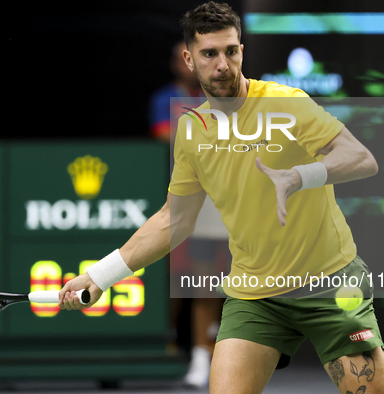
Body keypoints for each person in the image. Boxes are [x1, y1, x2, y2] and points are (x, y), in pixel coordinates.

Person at [59, 2, 384, 393]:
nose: (222, 64)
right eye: (209, 53)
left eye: (231, 51)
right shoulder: (192, 131)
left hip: (330, 284)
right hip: (255, 297)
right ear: (189, 58)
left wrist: (300, 175)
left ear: (242, 52)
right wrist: (99, 276)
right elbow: (173, 220)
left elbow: (361, 158)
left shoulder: (285, 102)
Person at [148, 40, 229, 388]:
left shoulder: (227, 98)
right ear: (177, 63)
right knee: (183, 282)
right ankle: (175, 345)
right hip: (181, 204)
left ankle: (211, 352)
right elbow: (166, 137)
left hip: (226, 205)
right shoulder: (162, 99)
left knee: (221, 285)